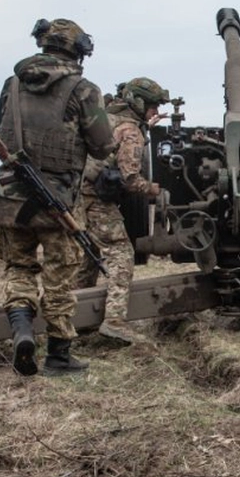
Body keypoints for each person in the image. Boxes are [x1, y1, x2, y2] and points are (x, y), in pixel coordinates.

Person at [0, 18, 115, 376]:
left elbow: (4, 133)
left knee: (19, 268)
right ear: (78, 51)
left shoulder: (11, 84)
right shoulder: (84, 90)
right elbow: (102, 144)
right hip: (56, 202)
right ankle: (59, 355)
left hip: (10, 197)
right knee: (60, 277)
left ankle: (23, 330)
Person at [75, 77, 170, 344]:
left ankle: (72, 318)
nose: (153, 111)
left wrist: (145, 127)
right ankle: (114, 321)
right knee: (120, 253)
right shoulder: (130, 131)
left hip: (77, 196)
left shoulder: (108, 118)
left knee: (89, 255)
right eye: (151, 106)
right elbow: (130, 179)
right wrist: (153, 189)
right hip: (96, 199)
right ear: (138, 103)